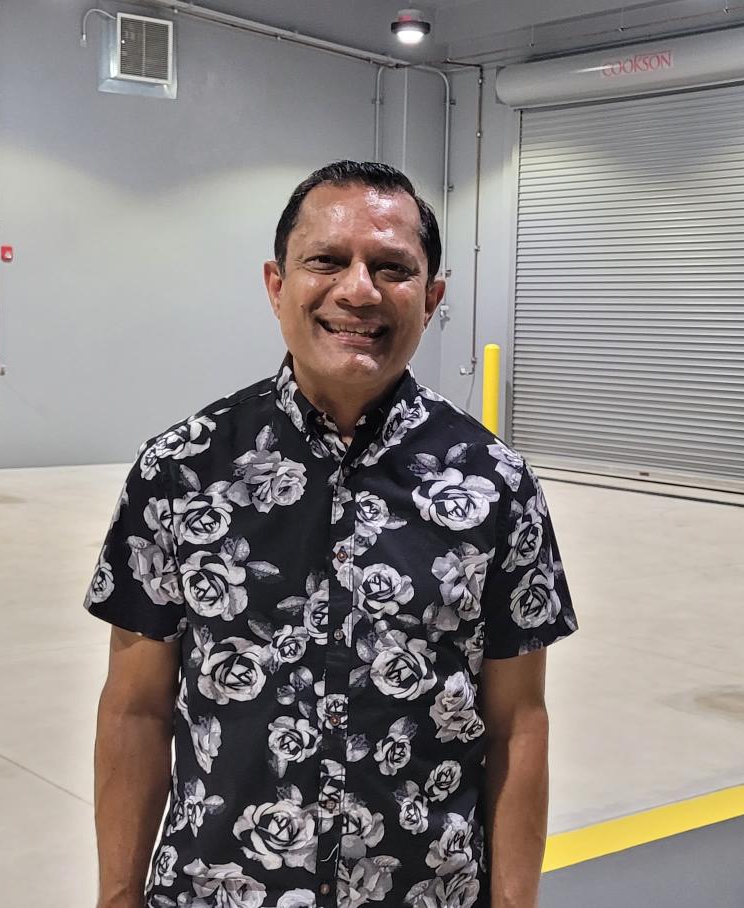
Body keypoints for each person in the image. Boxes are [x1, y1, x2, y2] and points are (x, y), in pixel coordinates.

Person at [87, 161, 578, 908]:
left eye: (393, 268)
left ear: (432, 296)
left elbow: (518, 723)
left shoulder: (495, 487)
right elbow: (135, 709)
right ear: (276, 285)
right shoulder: (179, 471)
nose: (359, 290)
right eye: (326, 260)